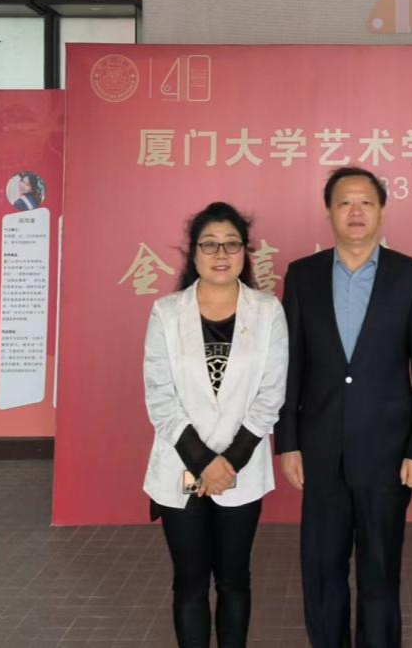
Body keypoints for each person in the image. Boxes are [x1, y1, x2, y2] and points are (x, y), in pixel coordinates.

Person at [276, 166, 412, 648]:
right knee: (322, 571)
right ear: (328, 211)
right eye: (344, 202)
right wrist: (288, 442)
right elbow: (291, 366)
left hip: (387, 453)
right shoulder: (303, 276)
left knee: (379, 571)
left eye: (366, 202)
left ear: (381, 212)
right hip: (320, 450)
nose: (355, 212)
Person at [143, 201, 288, 648]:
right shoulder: (167, 312)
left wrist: (230, 463)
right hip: (181, 466)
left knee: (233, 579)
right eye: (209, 245)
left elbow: (271, 395)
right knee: (189, 581)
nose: (221, 254)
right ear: (193, 253)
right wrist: (205, 463)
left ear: (245, 252)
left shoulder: (268, 311)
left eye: (231, 244)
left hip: (240, 469)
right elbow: (160, 397)